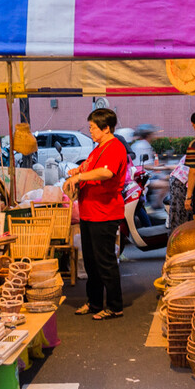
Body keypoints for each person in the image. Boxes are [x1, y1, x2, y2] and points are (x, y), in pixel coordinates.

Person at [63, 108, 127, 321]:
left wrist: (80, 177)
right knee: (91, 261)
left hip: (105, 213)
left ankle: (115, 306)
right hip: (89, 213)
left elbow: (106, 172)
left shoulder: (115, 147)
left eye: (92, 127)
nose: (90, 130)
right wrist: (77, 172)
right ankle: (95, 302)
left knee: (105, 261)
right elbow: (89, 167)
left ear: (106, 127)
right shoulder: (97, 149)